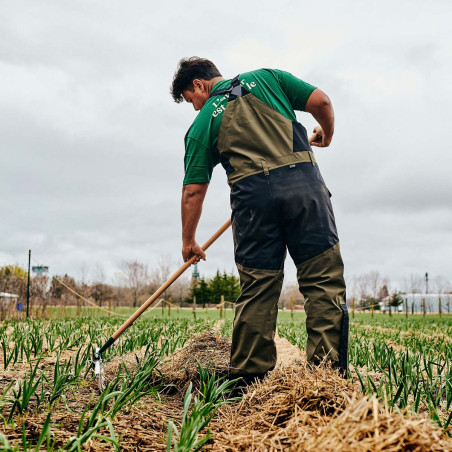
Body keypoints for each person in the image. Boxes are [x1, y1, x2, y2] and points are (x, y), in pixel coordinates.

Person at [171, 57, 349, 382]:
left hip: (253, 203)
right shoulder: (269, 77)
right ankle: (327, 380)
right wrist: (327, 133)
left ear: (198, 85)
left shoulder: (200, 126)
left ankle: (248, 381)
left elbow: (193, 191)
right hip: (305, 189)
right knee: (322, 280)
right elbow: (321, 101)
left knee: (258, 287)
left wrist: (188, 241)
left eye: (190, 100)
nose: (195, 108)